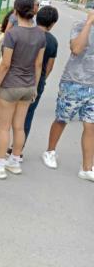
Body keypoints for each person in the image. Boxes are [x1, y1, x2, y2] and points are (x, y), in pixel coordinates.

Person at [0, 6, 59, 160]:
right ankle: (16, 154)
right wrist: (38, 84)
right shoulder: (52, 41)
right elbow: (47, 67)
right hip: (34, 84)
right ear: (53, 23)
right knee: (24, 121)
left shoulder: (22, 34)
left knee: (3, 122)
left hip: (14, 82)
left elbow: (6, 63)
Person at [0, 0, 46, 179]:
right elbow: (38, 65)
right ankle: (14, 162)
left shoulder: (13, 34)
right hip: (29, 86)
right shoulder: (41, 34)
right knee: (19, 126)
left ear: (16, 10)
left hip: (10, 86)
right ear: (33, 9)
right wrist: (35, 87)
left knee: (3, 127)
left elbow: (5, 64)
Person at [41, 11, 94, 182]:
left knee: (90, 126)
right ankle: (50, 151)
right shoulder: (79, 25)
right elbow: (77, 49)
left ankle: (86, 168)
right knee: (62, 119)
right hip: (73, 82)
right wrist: (89, 23)